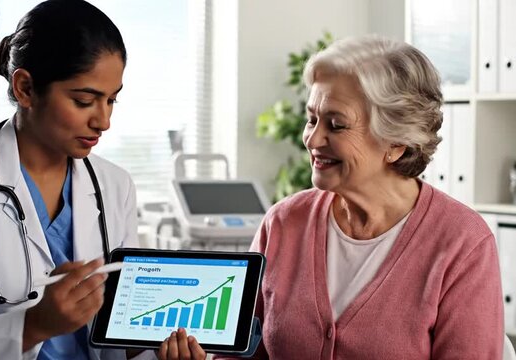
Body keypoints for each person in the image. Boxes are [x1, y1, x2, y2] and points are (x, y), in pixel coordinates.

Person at [0, 1, 205, 359]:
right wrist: (32, 325)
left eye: (112, 100)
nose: (103, 121)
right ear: (25, 88)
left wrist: (161, 353)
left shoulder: (114, 185)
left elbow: (120, 337)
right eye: (84, 100)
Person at [215, 35, 503, 359]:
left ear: (396, 144)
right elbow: (238, 352)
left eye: (336, 125)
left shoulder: (462, 244)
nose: (312, 139)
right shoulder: (282, 223)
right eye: (312, 119)